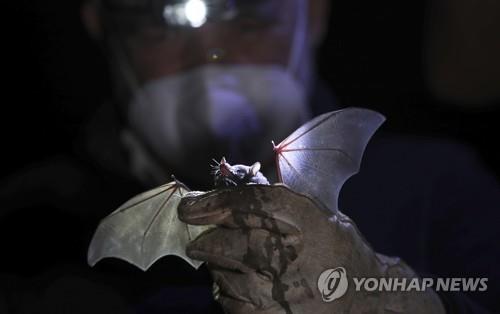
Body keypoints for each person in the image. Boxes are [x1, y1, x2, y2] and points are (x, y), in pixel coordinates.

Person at [0, 0, 498, 313]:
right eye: (164, 23)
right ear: (100, 21)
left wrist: (379, 298)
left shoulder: (439, 187)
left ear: (315, 12)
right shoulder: (31, 227)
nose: (210, 56)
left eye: (251, 15)